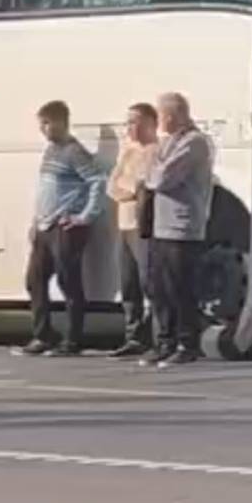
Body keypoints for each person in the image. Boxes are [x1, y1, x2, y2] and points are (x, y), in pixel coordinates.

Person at [20, 100, 106, 357]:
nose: (43, 129)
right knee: (34, 280)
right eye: (41, 124)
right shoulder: (51, 152)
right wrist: (36, 221)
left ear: (61, 122)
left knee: (69, 281)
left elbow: (97, 182)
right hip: (45, 226)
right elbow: (46, 190)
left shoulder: (74, 151)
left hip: (65, 227)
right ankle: (43, 335)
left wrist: (85, 216)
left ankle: (73, 339)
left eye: (47, 123)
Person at [142, 92, 214, 368]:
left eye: (160, 116)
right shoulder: (169, 141)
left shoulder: (194, 142)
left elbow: (160, 178)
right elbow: (149, 173)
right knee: (158, 288)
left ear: (171, 116)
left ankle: (187, 343)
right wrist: (153, 168)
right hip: (161, 226)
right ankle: (165, 341)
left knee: (180, 288)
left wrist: (153, 168)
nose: (159, 122)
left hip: (182, 226)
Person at [106, 102, 159, 358]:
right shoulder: (128, 151)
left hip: (143, 225)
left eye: (135, 122)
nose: (130, 128)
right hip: (124, 223)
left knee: (149, 280)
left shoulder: (154, 151)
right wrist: (129, 190)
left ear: (150, 123)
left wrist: (131, 190)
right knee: (128, 283)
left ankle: (157, 335)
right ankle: (133, 335)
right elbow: (113, 186)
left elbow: (145, 187)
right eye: (127, 122)